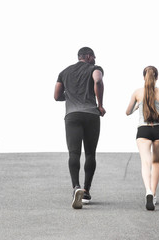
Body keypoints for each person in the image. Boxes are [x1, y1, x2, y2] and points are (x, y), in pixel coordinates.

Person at [54, 47, 106, 209]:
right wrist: (100, 105)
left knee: (74, 153)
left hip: (72, 115)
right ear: (88, 56)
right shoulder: (95, 69)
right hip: (91, 114)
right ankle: (86, 191)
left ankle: (76, 187)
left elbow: (56, 96)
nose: (95, 59)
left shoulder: (64, 72)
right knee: (90, 153)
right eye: (94, 57)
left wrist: (70, 96)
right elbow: (97, 81)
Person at [126, 66, 159, 211]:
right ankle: (154, 192)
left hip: (143, 130)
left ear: (143, 77)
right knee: (156, 162)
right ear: (156, 77)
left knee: (146, 163)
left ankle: (148, 191)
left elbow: (127, 112)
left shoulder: (137, 92)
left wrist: (138, 107)